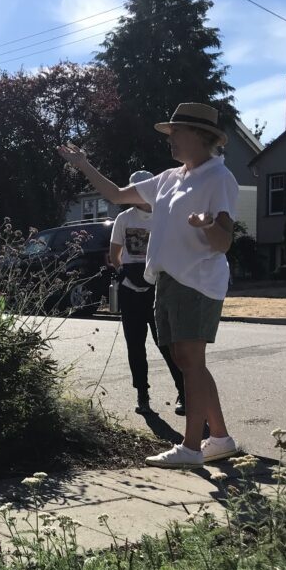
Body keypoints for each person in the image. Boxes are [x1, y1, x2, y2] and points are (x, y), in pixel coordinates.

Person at [59, 103, 240, 468]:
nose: (170, 139)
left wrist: (208, 224)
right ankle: (219, 437)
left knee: (190, 360)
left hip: (198, 279)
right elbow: (116, 195)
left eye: (177, 132)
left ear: (202, 137)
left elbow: (223, 243)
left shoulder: (220, 179)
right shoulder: (171, 178)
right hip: (168, 278)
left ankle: (191, 447)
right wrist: (84, 166)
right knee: (186, 359)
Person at [110, 170, 185, 416]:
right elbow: (115, 253)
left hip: (159, 289)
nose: (140, 193)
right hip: (131, 292)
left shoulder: (166, 215)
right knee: (135, 346)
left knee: (167, 344)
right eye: (136, 188)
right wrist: (123, 271)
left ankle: (183, 393)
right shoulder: (124, 219)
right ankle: (142, 394)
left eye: (144, 187)